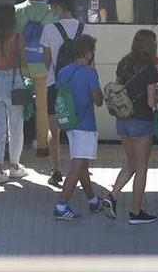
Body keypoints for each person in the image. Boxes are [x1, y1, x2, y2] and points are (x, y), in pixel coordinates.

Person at [101, 30, 158, 225]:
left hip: (123, 121)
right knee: (141, 167)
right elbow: (151, 103)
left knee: (131, 163)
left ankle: (112, 196)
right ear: (151, 46)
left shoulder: (124, 62)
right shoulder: (150, 69)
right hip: (141, 121)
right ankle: (136, 213)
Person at [40, 0, 93, 188]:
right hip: (81, 86)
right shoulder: (85, 28)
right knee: (79, 131)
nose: (52, 11)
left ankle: (56, 171)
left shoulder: (49, 30)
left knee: (55, 131)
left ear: (58, 7)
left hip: (56, 86)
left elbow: (47, 62)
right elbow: (90, 60)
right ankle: (80, 170)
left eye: (52, 7)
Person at [53, 35, 103, 221]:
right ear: (88, 53)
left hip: (70, 124)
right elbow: (98, 101)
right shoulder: (90, 74)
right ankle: (61, 205)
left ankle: (93, 201)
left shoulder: (64, 71)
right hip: (85, 125)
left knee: (82, 165)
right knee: (77, 166)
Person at [0, 3, 28, 184]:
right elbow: (23, 63)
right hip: (13, 81)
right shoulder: (16, 36)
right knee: (16, 126)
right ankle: (15, 166)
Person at [14, 0, 57, 158]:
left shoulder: (18, 10)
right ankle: (41, 146)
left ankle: (15, 145)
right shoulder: (51, 12)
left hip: (22, 66)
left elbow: (14, 38)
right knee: (42, 107)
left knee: (17, 106)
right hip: (43, 67)